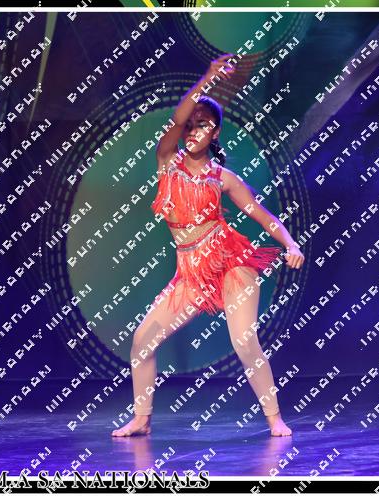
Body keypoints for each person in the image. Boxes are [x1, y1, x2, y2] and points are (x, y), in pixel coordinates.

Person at [112, 54, 305, 438]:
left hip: (231, 261)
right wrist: (209, 78)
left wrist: (290, 243)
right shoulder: (168, 162)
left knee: (244, 342)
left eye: (203, 125)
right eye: (191, 125)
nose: (193, 131)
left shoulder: (223, 178)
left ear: (215, 133)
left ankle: (274, 419)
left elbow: (263, 215)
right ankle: (142, 419)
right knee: (141, 343)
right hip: (190, 273)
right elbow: (177, 119)